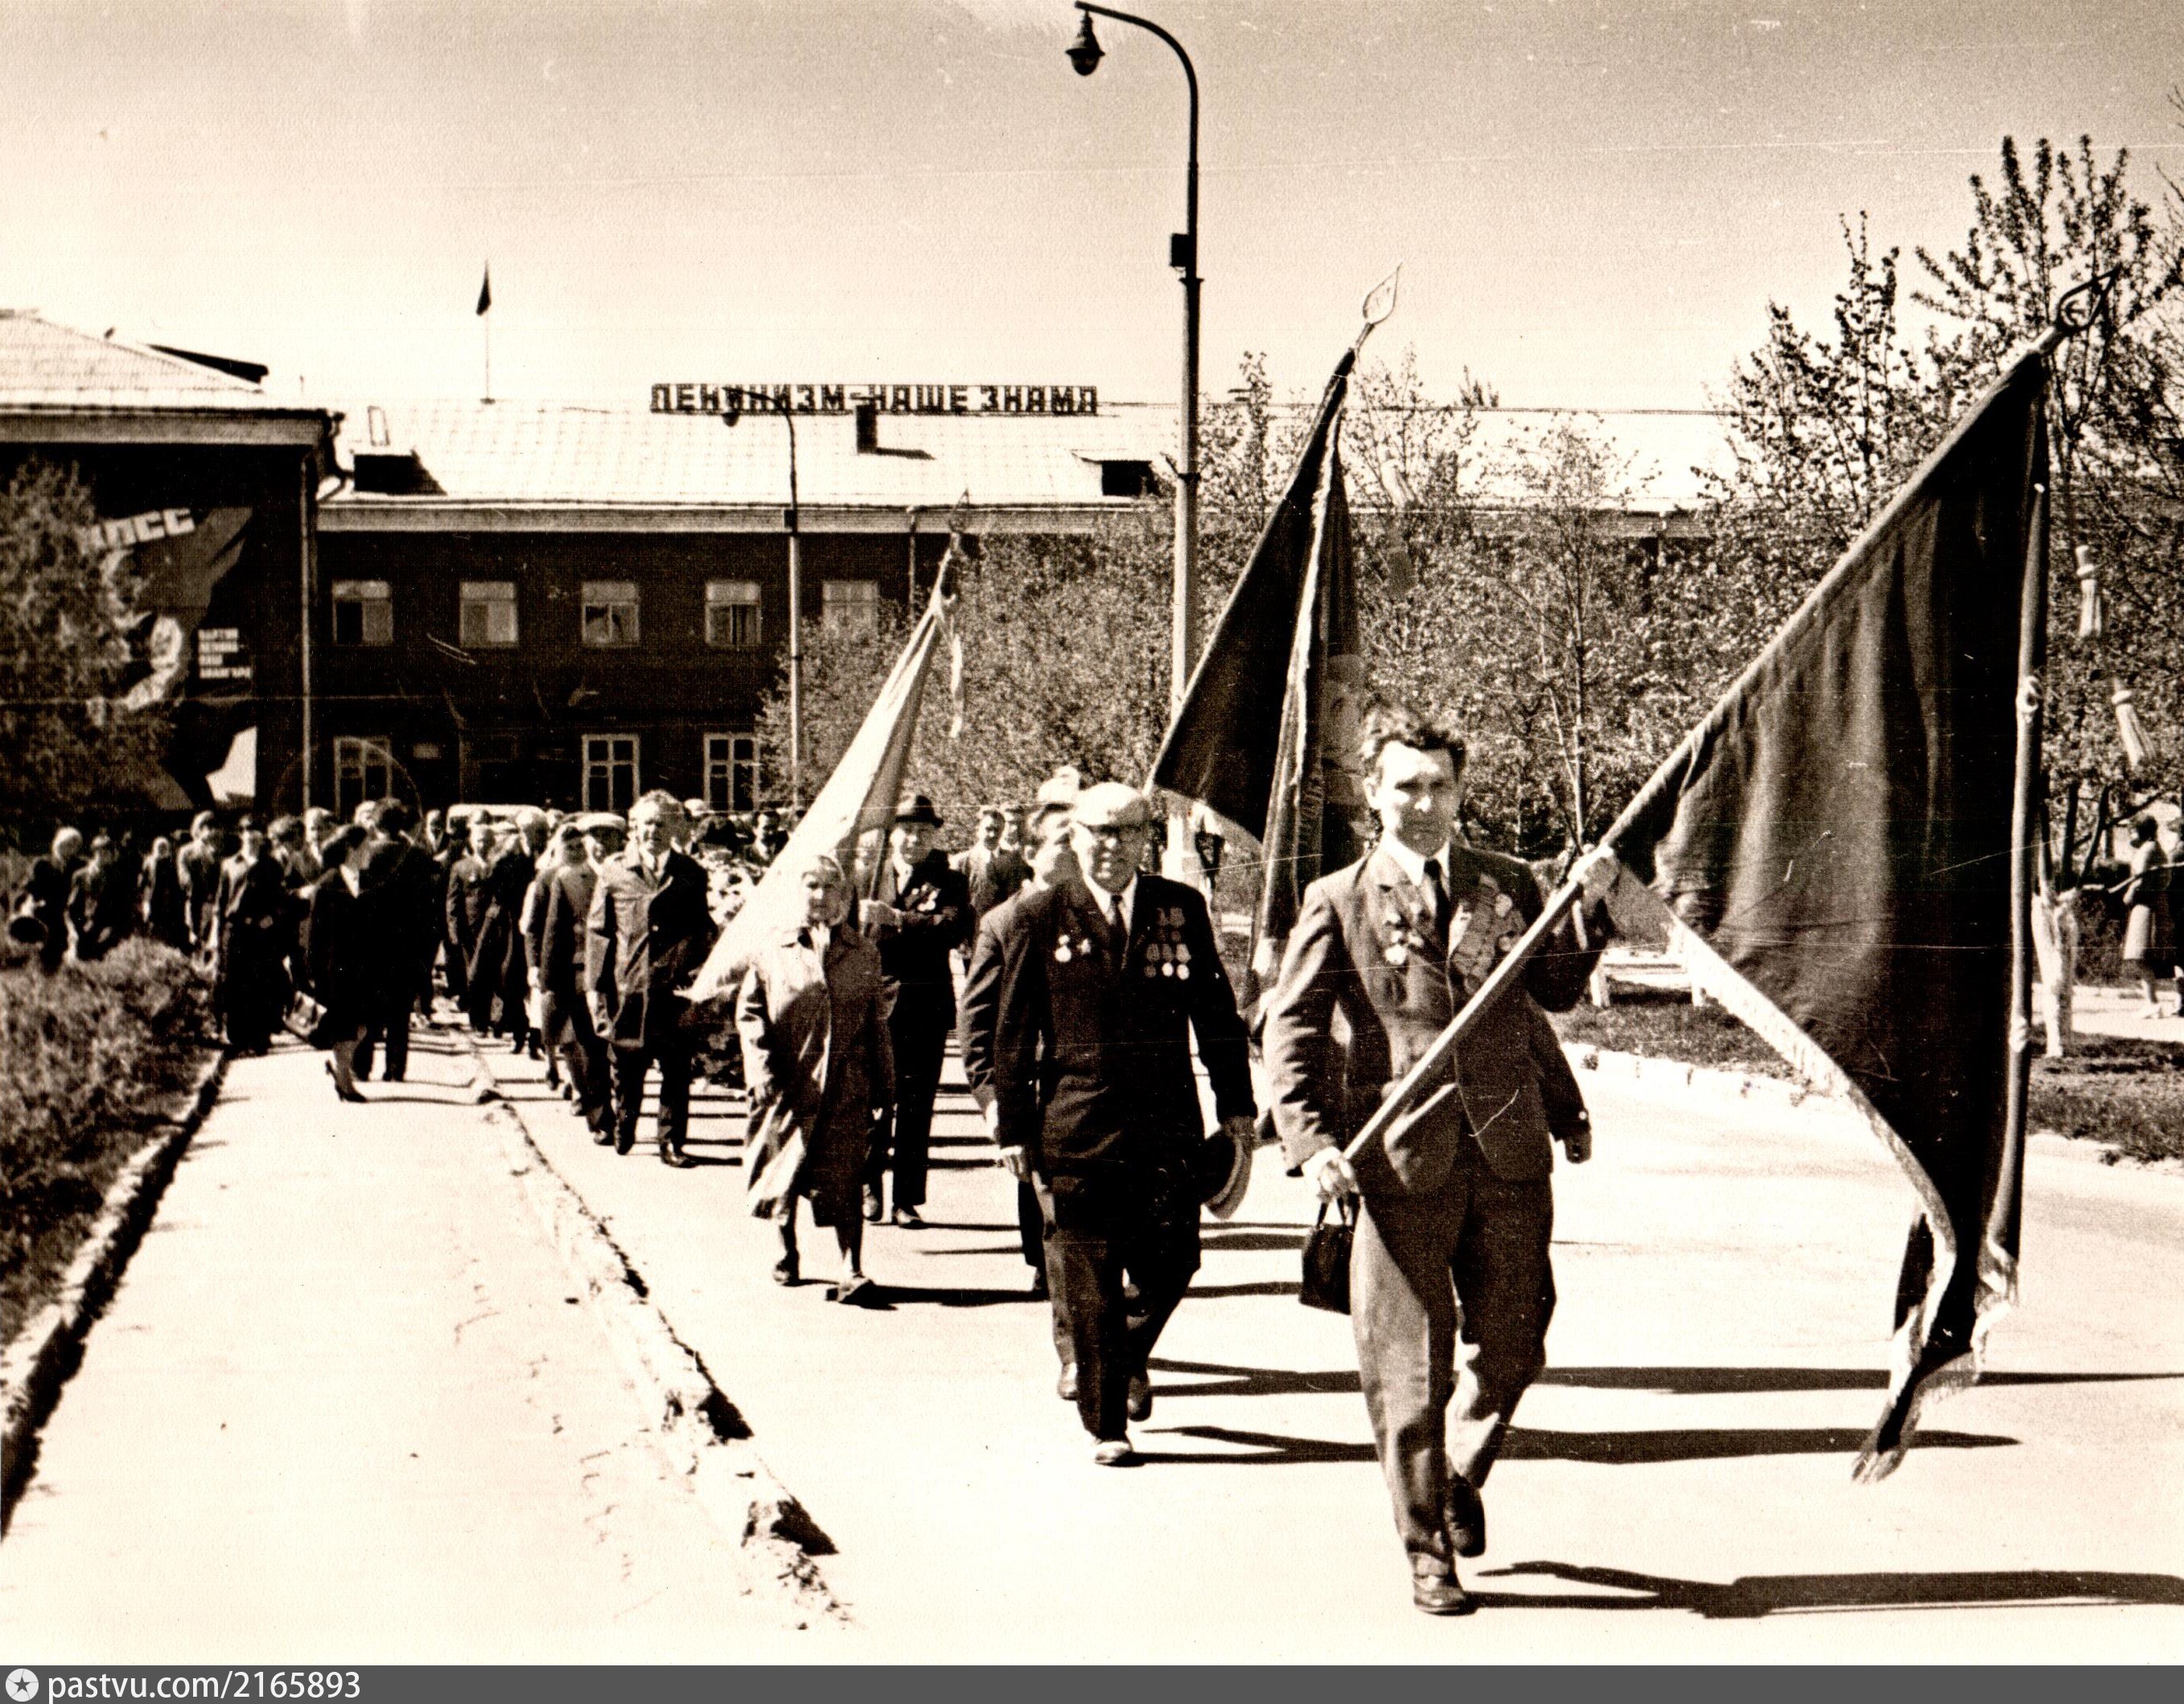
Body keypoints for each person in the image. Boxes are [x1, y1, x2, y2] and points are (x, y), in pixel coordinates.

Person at [1263, 702, 1612, 1616]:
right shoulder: (1338, 898)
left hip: (1507, 1151)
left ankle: (1458, 1468)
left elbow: (1550, 992)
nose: (1425, 804)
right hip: (1398, 1160)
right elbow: (1291, 1031)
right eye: (1407, 787)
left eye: (1441, 786)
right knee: (1408, 1365)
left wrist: (1589, 905)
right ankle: (1427, 1551)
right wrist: (1311, 1143)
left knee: (1518, 1339)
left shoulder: (1506, 881)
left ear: (1461, 792)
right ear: (1374, 794)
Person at [989, 782, 1258, 1465]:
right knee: (1090, 1276)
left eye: (1126, 832)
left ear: (1146, 839)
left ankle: (1119, 1352)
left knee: (1176, 1259)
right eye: (1097, 832)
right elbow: (1012, 1035)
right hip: (1076, 1128)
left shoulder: (1180, 908)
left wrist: (1236, 1106)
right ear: (1073, 838)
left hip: (1167, 1129)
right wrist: (1012, 1128)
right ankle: (1107, 1424)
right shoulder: (1038, 915)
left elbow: (1215, 1016)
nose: (1110, 846)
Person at [738, 854, 895, 1303]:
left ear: (845, 896)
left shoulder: (862, 952)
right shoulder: (772, 948)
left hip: (846, 1083)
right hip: (788, 1083)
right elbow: (750, 1013)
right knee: (784, 1171)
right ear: (796, 892)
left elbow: (875, 1022)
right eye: (811, 885)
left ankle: (852, 1268)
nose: (821, 895)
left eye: (830, 887)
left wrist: (885, 1085)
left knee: (846, 1175)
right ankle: (787, 1252)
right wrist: (760, 1070)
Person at [960, 795, 1079, 1353]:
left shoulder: (1097, 915)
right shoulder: (1004, 922)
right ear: (1030, 854)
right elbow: (977, 1022)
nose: (1076, 850)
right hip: (1027, 1088)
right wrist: (992, 1099)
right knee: (1049, 1214)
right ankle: (1070, 1332)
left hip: (1085, 1093)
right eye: (1062, 841)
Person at [856, 792, 971, 1227]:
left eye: (923, 832)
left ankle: (906, 1198)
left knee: (916, 1105)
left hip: (926, 1006)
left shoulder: (949, 880)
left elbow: (952, 927)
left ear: (934, 836)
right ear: (891, 835)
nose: (914, 840)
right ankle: (869, 1185)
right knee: (872, 1102)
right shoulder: (867, 876)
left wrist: (898, 920)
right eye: (906, 831)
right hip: (875, 1005)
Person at [587, 792, 718, 1167]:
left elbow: (701, 930)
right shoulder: (615, 871)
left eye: (661, 823)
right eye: (646, 823)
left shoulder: (691, 873)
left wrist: (698, 975)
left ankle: (671, 1143)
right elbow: (600, 933)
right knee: (627, 1066)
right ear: (634, 827)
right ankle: (625, 1124)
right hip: (629, 988)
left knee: (676, 1069)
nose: (653, 831)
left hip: (674, 991)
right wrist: (596, 988)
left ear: (675, 826)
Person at [537, 814, 619, 1141]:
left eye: (608, 838)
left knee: (620, 1049)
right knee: (591, 1047)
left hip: (622, 973)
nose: (600, 845)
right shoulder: (569, 879)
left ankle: (622, 1114)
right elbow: (554, 931)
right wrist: (549, 981)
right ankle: (601, 1119)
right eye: (594, 838)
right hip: (581, 974)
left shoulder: (630, 874)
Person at [356, 800, 439, 1081]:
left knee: (367, 1007)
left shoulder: (366, 854)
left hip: (370, 943)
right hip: (407, 944)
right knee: (400, 1011)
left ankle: (361, 1065)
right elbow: (429, 907)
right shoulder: (418, 856)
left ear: (376, 824)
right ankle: (395, 1068)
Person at [303, 825, 377, 1102]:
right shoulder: (327, 884)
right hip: (335, 970)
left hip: (363, 969)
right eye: (366, 847)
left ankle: (340, 1072)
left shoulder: (369, 881)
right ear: (351, 849)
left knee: (364, 1027)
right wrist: (314, 972)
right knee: (345, 1027)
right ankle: (344, 1080)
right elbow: (314, 933)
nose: (370, 852)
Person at [209, 817, 289, 1052]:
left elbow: (281, 900)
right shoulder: (229, 865)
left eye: (255, 830)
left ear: (262, 836)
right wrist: (214, 935)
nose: (250, 835)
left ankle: (260, 1037)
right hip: (235, 930)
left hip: (262, 932)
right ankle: (237, 1037)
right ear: (240, 834)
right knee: (234, 982)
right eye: (245, 830)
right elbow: (220, 902)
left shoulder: (272, 865)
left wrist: (272, 918)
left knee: (262, 982)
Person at [2119, 814, 2175, 1015]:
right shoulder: (2154, 848)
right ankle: (2152, 1002)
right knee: (2142, 957)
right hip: (2153, 903)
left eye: (2132, 830)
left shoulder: (2147, 850)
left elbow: (2140, 879)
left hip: (2146, 905)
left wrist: (2128, 896)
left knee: (2140, 956)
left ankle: (2152, 1003)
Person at [19, 828, 84, 973]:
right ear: (58, 844)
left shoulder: (79, 866)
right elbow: (30, 888)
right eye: (67, 844)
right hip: (45, 908)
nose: (70, 849)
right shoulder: (43, 864)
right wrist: (28, 905)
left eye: (74, 846)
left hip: (68, 910)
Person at [66, 831, 138, 961]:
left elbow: (125, 907)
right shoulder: (81, 876)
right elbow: (72, 907)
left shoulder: (120, 878)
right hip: (84, 927)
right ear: (94, 853)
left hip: (109, 929)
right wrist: (75, 930)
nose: (102, 856)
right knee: (82, 957)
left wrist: (111, 930)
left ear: (112, 855)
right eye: (99, 852)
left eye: (107, 852)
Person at [177, 811, 225, 957]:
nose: (212, 831)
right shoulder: (187, 851)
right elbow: (184, 876)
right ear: (199, 829)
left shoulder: (220, 851)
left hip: (215, 901)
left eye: (214, 827)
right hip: (195, 900)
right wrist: (193, 889)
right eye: (208, 827)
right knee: (195, 936)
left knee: (212, 938)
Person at [141, 834, 188, 949]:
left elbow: (175, 882)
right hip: (151, 895)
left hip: (166, 897)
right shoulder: (149, 861)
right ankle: (151, 944)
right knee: (150, 919)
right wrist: (144, 898)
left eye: (163, 847)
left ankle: (165, 944)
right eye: (159, 847)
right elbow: (144, 881)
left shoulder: (171, 863)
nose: (161, 849)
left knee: (165, 920)